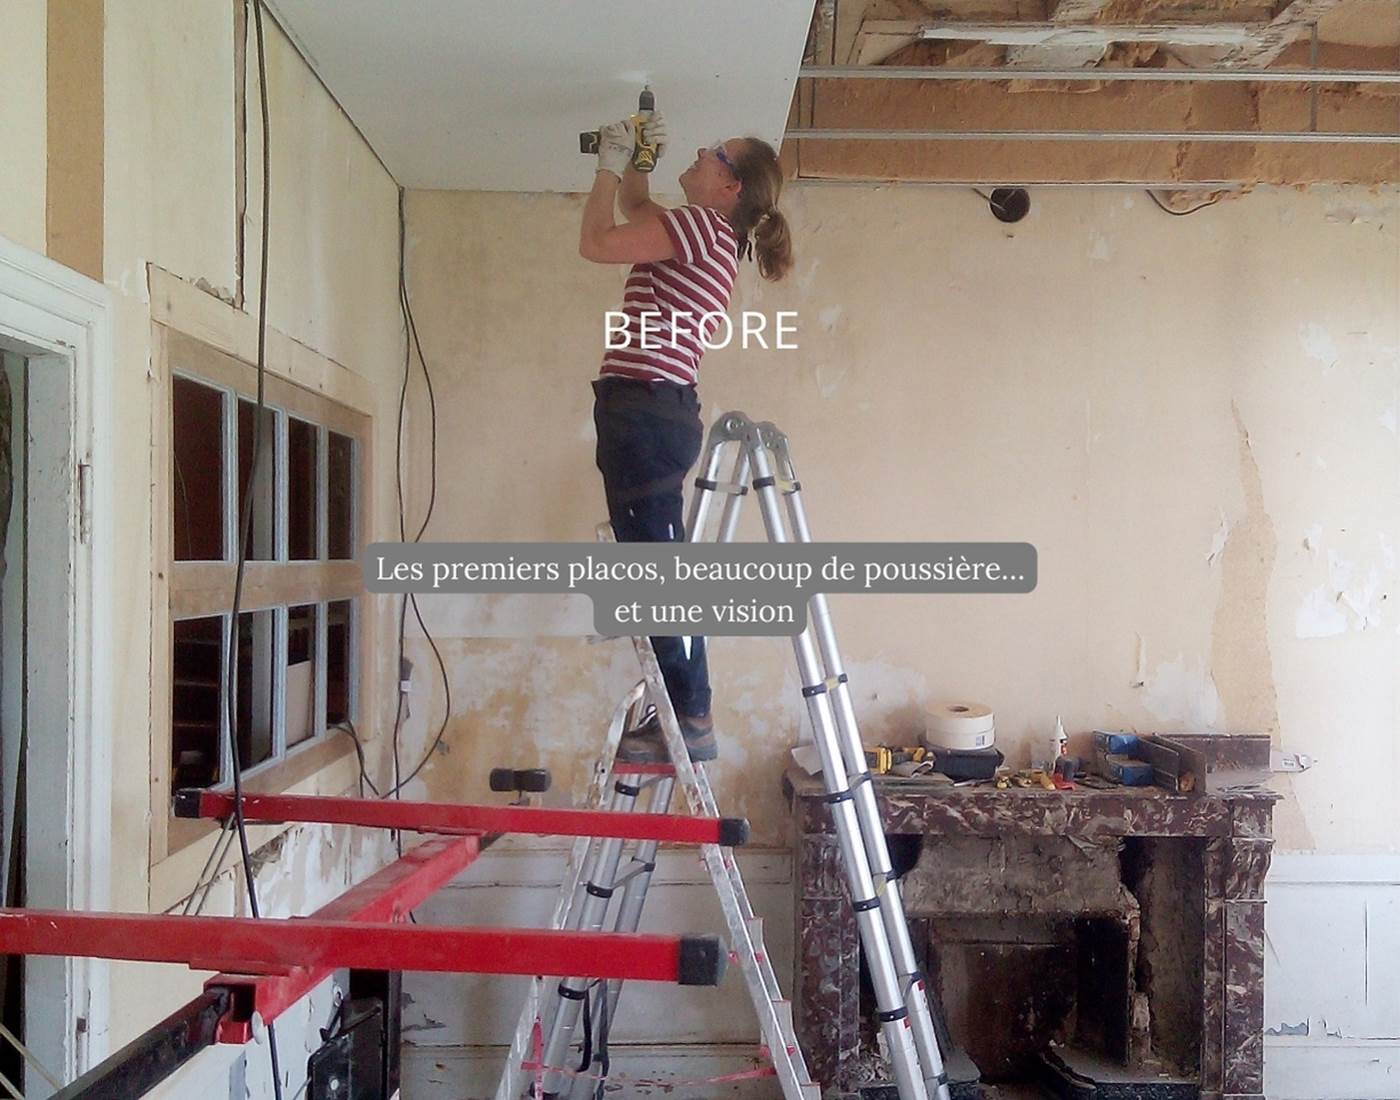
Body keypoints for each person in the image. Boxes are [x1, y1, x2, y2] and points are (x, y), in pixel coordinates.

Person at [579, 108, 793, 762]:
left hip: (643, 413)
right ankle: (683, 714)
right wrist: (637, 168)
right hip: (652, 411)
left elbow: (597, 242)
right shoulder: (706, 232)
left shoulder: (699, 227)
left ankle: (692, 719)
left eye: (714, 154)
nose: (700, 153)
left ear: (729, 189)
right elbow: (640, 208)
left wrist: (609, 162)